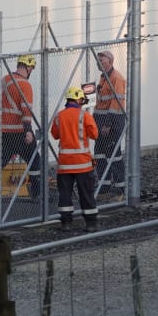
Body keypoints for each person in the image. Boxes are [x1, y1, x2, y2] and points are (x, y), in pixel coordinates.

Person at [0, 54, 41, 200]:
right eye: (31, 68)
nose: (31, 71)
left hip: (4, 129)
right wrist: (28, 131)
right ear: (28, 67)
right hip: (19, 129)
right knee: (34, 160)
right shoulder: (25, 85)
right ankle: (37, 193)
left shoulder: (5, 80)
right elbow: (26, 110)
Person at [51, 86, 100, 231]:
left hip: (65, 165)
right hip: (82, 164)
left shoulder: (59, 116)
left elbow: (55, 134)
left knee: (65, 195)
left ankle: (66, 223)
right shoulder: (84, 115)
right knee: (86, 194)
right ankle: (90, 223)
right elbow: (95, 134)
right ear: (78, 99)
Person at [93, 50, 127, 201]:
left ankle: (121, 190)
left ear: (110, 61)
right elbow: (101, 101)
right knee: (100, 154)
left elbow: (116, 103)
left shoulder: (116, 78)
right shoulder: (103, 78)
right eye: (98, 60)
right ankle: (104, 187)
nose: (99, 63)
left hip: (112, 121)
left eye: (102, 60)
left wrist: (107, 123)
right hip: (100, 120)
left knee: (113, 155)